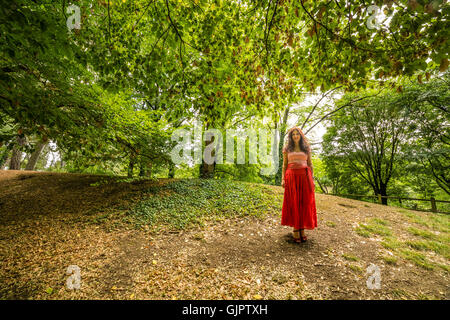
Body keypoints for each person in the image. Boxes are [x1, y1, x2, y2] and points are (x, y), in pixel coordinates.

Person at [281, 126, 318, 243]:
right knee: (294, 202)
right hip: (291, 177)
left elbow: (310, 164)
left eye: (297, 134)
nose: (295, 136)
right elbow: (284, 164)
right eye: (293, 134)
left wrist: (312, 179)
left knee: (304, 202)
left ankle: (302, 228)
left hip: (305, 177)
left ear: (301, 136)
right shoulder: (287, 149)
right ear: (291, 137)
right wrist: (283, 179)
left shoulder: (306, 148)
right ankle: (296, 229)